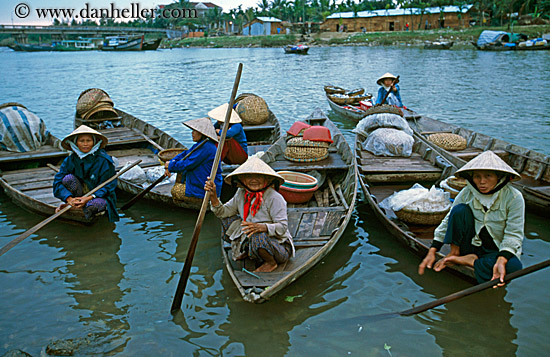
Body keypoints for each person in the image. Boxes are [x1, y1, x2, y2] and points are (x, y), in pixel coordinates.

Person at [418, 151, 525, 285]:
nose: (482, 182)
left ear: (499, 177)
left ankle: (470, 261)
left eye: (488, 176)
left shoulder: (514, 197)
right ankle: (455, 253)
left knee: (514, 268)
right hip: (470, 245)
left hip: (494, 250)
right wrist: (433, 249)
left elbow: (514, 233)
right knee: (459, 210)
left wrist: (502, 259)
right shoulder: (467, 192)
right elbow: (448, 220)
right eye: (477, 176)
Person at [204, 156, 294, 273]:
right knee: (227, 220)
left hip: (279, 247)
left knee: (258, 235)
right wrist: (213, 196)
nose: (253, 180)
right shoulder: (241, 194)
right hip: (252, 238)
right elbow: (223, 212)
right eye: (248, 176)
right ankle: (248, 250)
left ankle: (270, 263)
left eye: (258, 176)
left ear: (266, 179)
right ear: (242, 179)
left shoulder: (274, 198)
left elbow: (282, 227)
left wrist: (263, 227)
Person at [53, 125, 118, 221]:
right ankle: (76, 204)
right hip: (78, 194)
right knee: (68, 178)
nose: (85, 144)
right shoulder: (71, 159)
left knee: (93, 205)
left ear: (94, 142)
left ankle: (81, 207)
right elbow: (57, 182)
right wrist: (69, 199)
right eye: (81, 141)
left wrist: (89, 198)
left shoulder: (103, 160)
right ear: (76, 143)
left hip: (98, 195)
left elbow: (109, 185)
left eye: (88, 141)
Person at [165, 117, 222, 202]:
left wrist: (170, 166)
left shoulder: (206, 148)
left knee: (175, 190)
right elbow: (185, 154)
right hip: (200, 183)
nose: (192, 133)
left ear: (202, 133)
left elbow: (187, 164)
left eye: (194, 131)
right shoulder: (201, 144)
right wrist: (171, 162)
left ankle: (195, 202)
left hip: (203, 189)